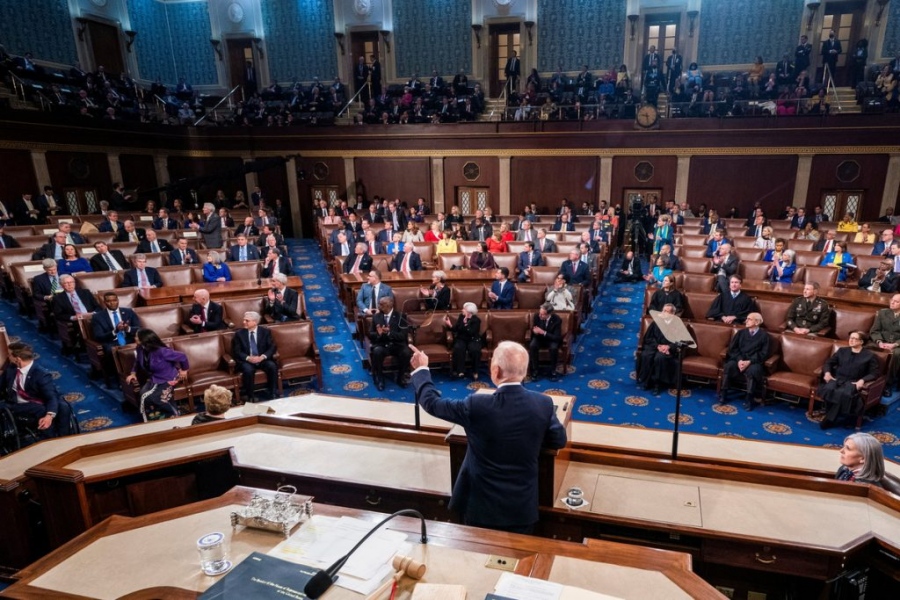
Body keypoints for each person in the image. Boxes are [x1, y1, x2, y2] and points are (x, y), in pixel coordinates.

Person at [409, 340, 567, 533]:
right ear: (524, 372)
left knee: (478, 559)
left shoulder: (476, 405)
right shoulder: (543, 403)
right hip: (521, 509)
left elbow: (432, 403)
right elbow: (558, 440)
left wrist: (422, 369)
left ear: (495, 371)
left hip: (480, 508)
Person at [1, 342, 74, 438]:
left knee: (63, 406)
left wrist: (49, 416)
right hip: (17, 405)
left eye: (9, 355)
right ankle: (51, 439)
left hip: (38, 400)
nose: (8, 357)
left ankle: (64, 438)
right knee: (40, 409)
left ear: (17, 359)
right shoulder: (11, 369)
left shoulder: (41, 374)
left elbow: (51, 396)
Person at [818, 332, 879, 429]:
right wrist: (827, 373)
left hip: (852, 382)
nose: (851, 340)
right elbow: (828, 363)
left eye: (855, 338)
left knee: (842, 393)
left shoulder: (869, 356)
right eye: (851, 338)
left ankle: (829, 419)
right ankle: (831, 415)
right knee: (828, 389)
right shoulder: (842, 351)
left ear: (861, 342)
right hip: (837, 379)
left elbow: (874, 373)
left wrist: (862, 380)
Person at [125, 329, 189, 421]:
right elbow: (137, 362)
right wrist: (133, 373)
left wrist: (184, 370)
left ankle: (174, 416)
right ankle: (156, 419)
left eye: (136, 336)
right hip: (154, 378)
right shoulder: (140, 348)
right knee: (143, 395)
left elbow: (182, 356)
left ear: (144, 339)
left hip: (169, 377)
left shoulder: (162, 351)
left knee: (155, 398)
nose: (134, 338)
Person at [719, 312, 770, 410]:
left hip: (754, 362)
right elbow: (732, 349)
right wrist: (739, 360)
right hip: (739, 359)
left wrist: (749, 361)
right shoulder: (741, 333)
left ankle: (749, 399)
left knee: (753, 371)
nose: (746, 321)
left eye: (749, 319)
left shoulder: (764, 336)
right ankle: (723, 394)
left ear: (757, 322)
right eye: (747, 318)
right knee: (729, 366)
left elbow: (763, 354)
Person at [91, 292, 139, 384]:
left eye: (114, 300)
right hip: (112, 342)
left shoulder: (129, 312)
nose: (112, 303)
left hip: (129, 340)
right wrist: (115, 331)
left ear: (118, 301)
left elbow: (138, 329)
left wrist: (127, 328)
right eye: (109, 301)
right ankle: (120, 380)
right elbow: (98, 336)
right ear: (104, 302)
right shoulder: (98, 317)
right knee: (111, 351)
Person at [232, 311, 279, 402]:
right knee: (248, 370)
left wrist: (262, 357)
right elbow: (237, 351)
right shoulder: (239, 334)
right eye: (244, 320)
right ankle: (250, 395)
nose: (244, 322)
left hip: (261, 359)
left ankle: (272, 392)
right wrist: (249, 358)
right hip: (247, 360)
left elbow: (272, 347)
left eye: (247, 320)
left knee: (272, 366)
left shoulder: (265, 332)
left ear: (255, 322)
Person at [368, 297, 412, 391]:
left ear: (389, 305)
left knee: (406, 352)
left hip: (397, 345)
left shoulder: (400, 316)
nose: (378, 306)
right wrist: (378, 334)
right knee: (377, 351)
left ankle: (400, 377)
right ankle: (380, 379)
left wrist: (389, 333)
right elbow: (370, 334)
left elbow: (403, 335)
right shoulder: (376, 317)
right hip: (382, 344)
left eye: (381, 304)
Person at [638, 303, 679, 394]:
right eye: (663, 311)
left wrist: (668, 346)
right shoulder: (656, 322)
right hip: (655, 346)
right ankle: (647, 381)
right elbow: (648, 337)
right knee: (646, 355)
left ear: (673, 314)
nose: (664, 313)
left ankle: (657, 384)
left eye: (667, 311)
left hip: (668, 349)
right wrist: (657, 346)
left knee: (659, 358)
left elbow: (679, 341)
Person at [869, 294, 900, 396]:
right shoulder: (883, 313)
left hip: (897, 344)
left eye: (896, 301)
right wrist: (880, 342)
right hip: (881, 341)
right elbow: (874, 331)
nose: (892, 302)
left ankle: (888, 384)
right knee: (867, 349)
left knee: (896, 354)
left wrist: (895, 344)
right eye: (892, 300)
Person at [445, 302, 482, 379]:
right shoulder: (461, 317)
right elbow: (457, 328)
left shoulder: (476, 320)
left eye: (464, 309)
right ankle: (460, 371)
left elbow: (472, 332)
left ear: (469, 311)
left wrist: (466, 324)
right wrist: (450, 325)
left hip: (473, 339)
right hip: (462, 338)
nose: (462, 310)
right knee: (458, 348)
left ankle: (475, 371)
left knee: (475, 350)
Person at [529, 303, 563, 381]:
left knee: (554, 348)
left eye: (542, 314)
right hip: (539, 338)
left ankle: (553, 371)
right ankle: (535, 370)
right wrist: (534, 331)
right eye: (540, 313)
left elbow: (557, 337)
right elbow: (534, 328)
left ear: (549, 314)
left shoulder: (557, 320)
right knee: (532, 345)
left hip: (551, 339)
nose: (540, 316)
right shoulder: (537, 316)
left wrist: (543, 332)